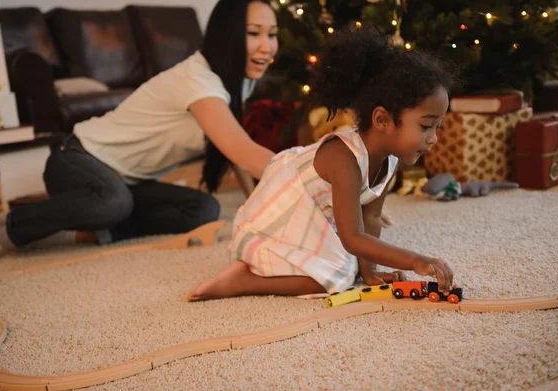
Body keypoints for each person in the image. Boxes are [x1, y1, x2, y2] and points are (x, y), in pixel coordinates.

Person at [0, 0, 279, 270]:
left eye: (273, 34)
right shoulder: (200, 82)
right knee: (114, 202)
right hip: (75, 158)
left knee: (204, 209)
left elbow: (232, 149)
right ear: (228, 33)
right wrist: (304, 172)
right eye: (254, 33)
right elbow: (244, 152)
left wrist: (257, 208)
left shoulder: (237, 82)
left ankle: (85, 230)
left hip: (128, 181)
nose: (267, 47)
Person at [189, 27, 459, 302]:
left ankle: (317, 269)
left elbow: (371, 218)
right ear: (382, 120)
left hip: (315, 219)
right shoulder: (344, 159)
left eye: (437, 126)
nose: (434, 138)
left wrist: (370, 270)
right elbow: (353, 238)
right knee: (333, 279)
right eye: (426, 126)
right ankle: (244, 281)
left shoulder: (390, 160)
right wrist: (414, 260)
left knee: (351, 268)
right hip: (279, 221)